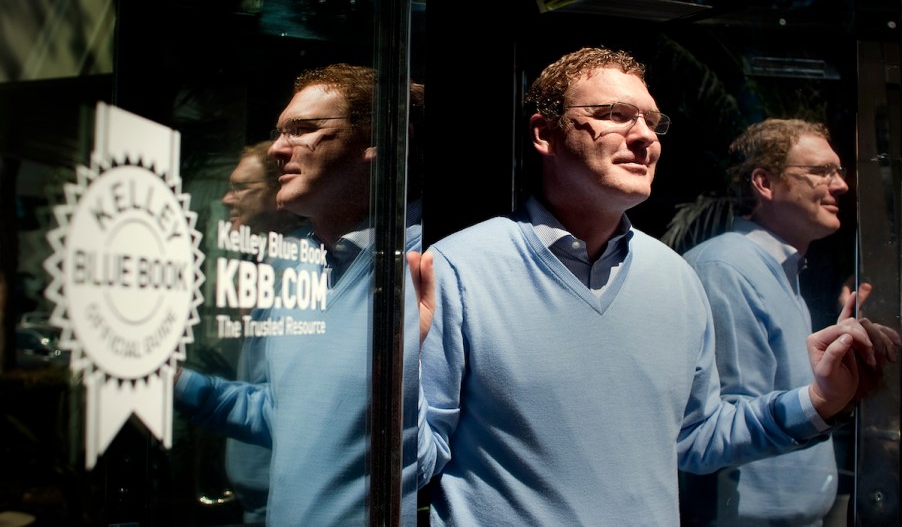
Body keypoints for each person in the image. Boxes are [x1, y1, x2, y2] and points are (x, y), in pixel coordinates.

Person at [414, 47, 885, 525]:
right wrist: (391, 364)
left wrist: (821, 400)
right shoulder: (458, 268)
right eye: (614, 115)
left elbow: (698, 437)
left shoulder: (675, 277)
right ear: (544, 133)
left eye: (652, 121)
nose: (643, 137)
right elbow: (415, 463)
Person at [175, 63, 425, 525]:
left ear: (383, 142)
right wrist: (172, 383)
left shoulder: (439, 265)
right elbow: (284, 417)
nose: (276, 149)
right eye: (279, 132)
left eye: (303, 130)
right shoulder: (294, 263)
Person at [679, 119, 899, 525]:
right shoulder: (726, 269)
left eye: (839, 171)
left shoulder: (780, 270)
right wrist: (821, 401)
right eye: (821, 171)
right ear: (764, 183)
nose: (841, 186)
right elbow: (720, 427)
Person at [219, 140, 310, 523]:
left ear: (279, 196)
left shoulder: (299, 264)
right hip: (259, 491)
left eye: (242, 187)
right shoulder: (268, 263)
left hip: (280, 495)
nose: (227, 198)